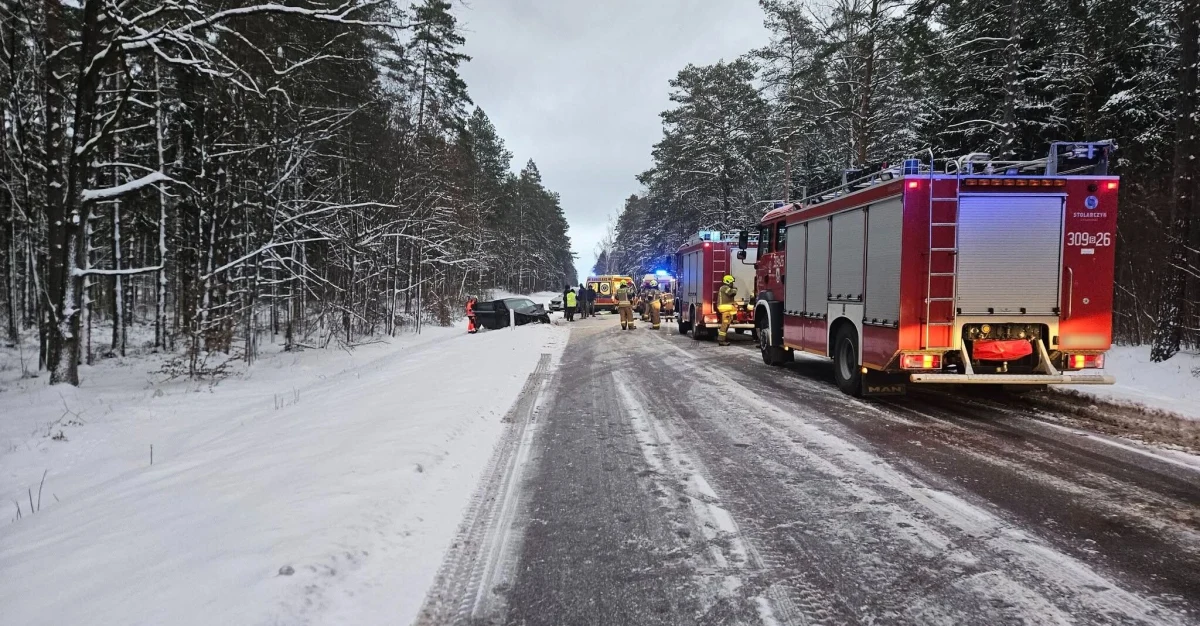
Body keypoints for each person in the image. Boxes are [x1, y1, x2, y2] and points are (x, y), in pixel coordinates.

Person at [717, 275, 738, 346]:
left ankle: (723, 339)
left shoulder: (725, 288)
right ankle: (721, 340)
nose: (732, 284)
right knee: (724, 325)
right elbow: (732, 293)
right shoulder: (724, 287)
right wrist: (735, 288)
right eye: (731, 282)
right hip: (725, 309)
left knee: (726, 324)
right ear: (728, 281)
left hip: (727, 309)